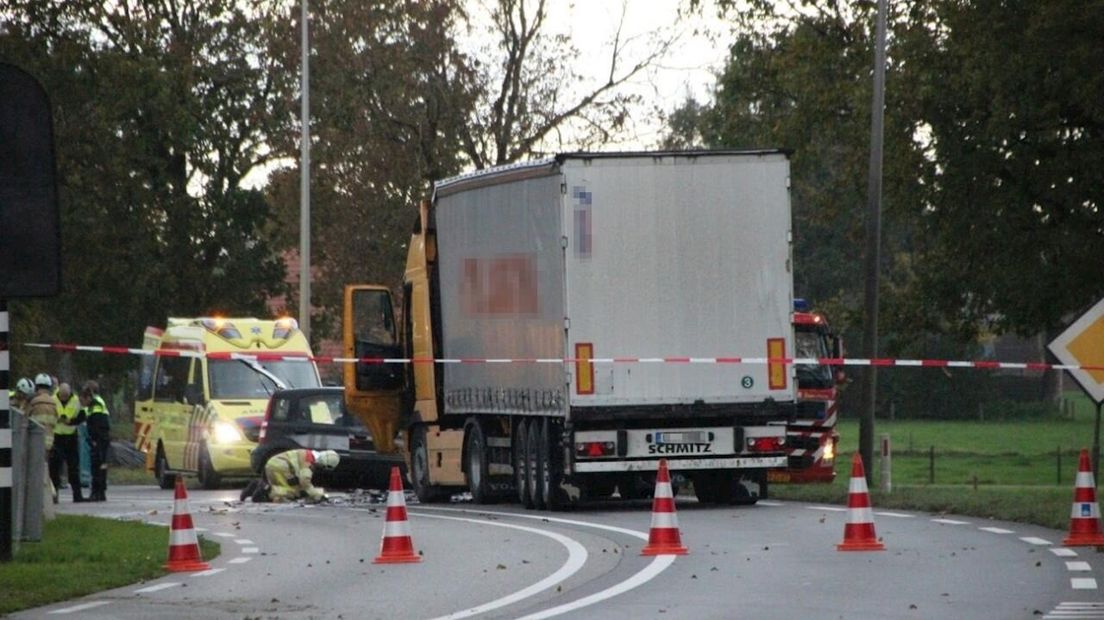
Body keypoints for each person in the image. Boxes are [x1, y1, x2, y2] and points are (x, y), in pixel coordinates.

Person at [243, 449, 339, 503]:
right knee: (286, 492)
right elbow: (305, 481)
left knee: (294, 490)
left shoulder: (308, 454)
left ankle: (261, 488)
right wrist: (317, 495)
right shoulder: (308, 460)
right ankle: (262, 491)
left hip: (278, 465)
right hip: (280, 467)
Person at [26, 373, 59, 503]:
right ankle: (50, 493)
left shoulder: (34, 402)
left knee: (36, 467)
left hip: (35, 440)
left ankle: (48, 492)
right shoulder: (53, 403)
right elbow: (55, 421)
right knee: (46, 466)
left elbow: (26, 419)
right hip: (49, 440)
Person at [77, 380, 111, 502]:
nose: (82, 403)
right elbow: (82, 416)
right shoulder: (93, 404)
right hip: (100, 439)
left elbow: (96, 424)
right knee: (100, 465)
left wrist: (95, 440)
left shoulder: (96, 405)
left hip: (100, 439)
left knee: (97, 466)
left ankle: (98, 492)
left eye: (83, 400)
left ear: (89, 396)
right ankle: (99, 492)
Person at [52, 382, 85, 502]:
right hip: (57, 436)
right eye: (62, 396)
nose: (64, 398)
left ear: (69, 393)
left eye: (66, 396)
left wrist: (71, 421)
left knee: (74, 467)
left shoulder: (76, 400)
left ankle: (77, 495)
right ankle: (54, 496)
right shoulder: (53, 399)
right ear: (59, 393)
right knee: (55, 468)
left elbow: (82, 416)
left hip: (71, 436)